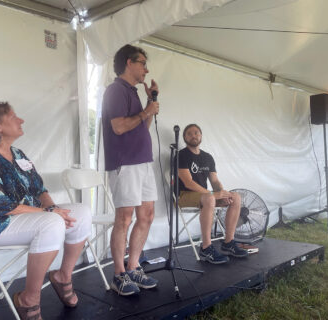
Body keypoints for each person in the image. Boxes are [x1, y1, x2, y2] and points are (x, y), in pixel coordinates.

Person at [0, 102, 92, 320]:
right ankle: (28, 299)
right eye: (13, 117)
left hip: (25, 217)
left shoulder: (18, 154)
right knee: (51, 223)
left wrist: (52, 207)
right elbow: (0, 205)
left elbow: (39, 188)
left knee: (82, 212)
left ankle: (62, 276)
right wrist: (47, 213)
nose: (21, 120)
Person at [101, 44, 160, 296]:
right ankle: (118, 274)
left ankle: (133, 266)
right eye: (143, 63)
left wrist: (150, 102)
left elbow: (140, 128)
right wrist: (147, 110)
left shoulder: (134, 93)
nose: (146, 69)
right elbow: (118, 127)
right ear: (129, 62)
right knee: (124, 218)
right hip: (125, 163)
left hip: (143, 161)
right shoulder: (116, 90)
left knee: (146, 215)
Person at [177, 124, 248, 264]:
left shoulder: (207, 157)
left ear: (201, 136)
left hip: (204, 196)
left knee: (235, 197)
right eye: (189, 133)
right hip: (184, 195)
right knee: (210, 199)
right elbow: (188, 183)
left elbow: (214, 181)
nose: (193, 135)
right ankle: (206, 248)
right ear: (185, 138)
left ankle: (228, 242)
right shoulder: (182, 155)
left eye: (196, 132)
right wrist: (213, 194)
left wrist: (223, 193)